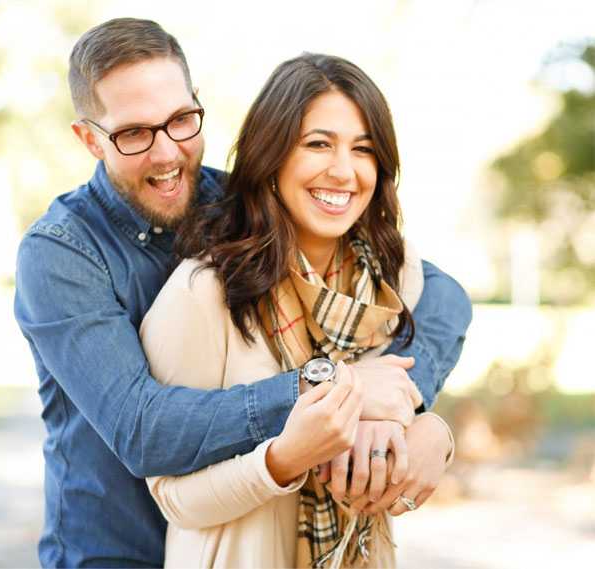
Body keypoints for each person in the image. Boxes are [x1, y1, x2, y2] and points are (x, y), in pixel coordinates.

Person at [13, 18, 472, 569]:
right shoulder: (61, 253)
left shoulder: (242, 205)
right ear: (89, 138)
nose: (166, 154)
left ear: (197, 105)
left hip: (244, 538)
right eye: (133, 133)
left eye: (181, 120)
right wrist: (328, 390)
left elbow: (441, 294)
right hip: (114, 551)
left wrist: (405, 408)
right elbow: (143, 429)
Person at [140, 53, 457, 568]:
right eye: (317, 144)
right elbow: (172, 495)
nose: (343, 170)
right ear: (273, 157)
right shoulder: (205, 293)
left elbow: (401, 394)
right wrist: (285, 457)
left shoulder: (389, 277)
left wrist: (433, 433)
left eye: (363, 149)